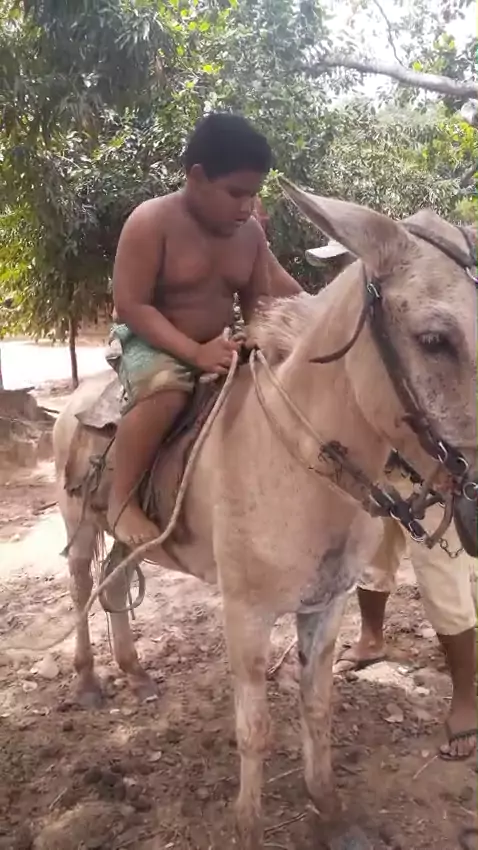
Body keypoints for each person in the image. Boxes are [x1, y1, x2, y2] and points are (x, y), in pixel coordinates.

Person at [306, 238, 477, 762]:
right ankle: (372, 638)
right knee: (372, 562)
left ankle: (466, 699)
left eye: (344, 262)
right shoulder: (337, 325)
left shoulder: (419, 318)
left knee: (443, 581)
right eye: (334, 264)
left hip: (431, 472)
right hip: (374, 472)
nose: (339, 272)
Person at [107, 112, 275, 547]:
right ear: (197, 177)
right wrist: (194, 353)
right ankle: (121, 500)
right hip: (150, 341)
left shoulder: (250, 235)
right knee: (166, 389)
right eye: (235, 193)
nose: (246, 206)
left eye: (253, 194)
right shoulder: (151, 221)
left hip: (217, 343)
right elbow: (131, 305)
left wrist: (258, 332)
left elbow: (258, 300)